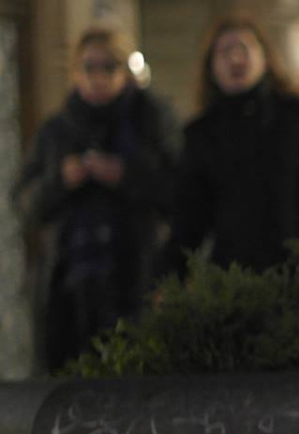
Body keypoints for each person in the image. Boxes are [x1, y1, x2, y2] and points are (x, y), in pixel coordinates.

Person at [13, 27, 179, 370]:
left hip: (136, 280)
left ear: (125, 72)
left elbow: (178, 192)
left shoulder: (151, 121)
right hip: (68, 292)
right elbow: (25, 205)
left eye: (109, 67)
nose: (99, 77)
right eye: (90, 67)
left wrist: (124, 175)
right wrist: (61, 180)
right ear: (76, 72)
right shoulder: (57, 130)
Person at [168, 15, 299, 272]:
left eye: (245, 48)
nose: (236, 58)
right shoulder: (201, 134)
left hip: (295, 270)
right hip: (231, 278)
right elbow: (188, 223)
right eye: (225, 51)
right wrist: (168, 279)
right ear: (211, 67)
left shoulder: (296, 119)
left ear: (265, 59)